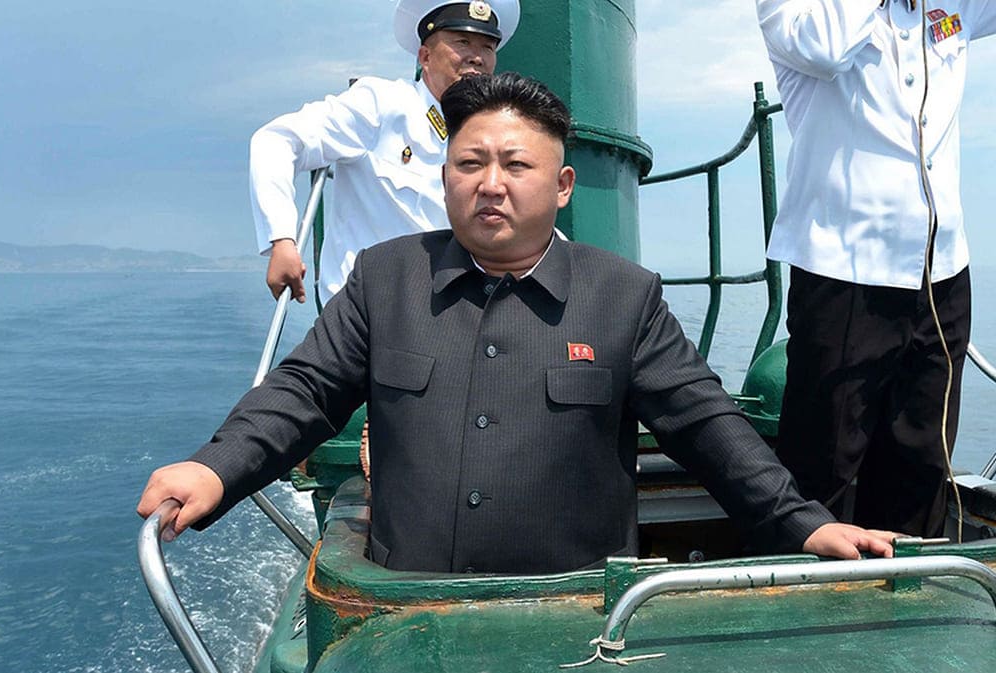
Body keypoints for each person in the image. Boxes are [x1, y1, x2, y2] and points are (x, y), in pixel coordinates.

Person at [139, 73, 895, 574]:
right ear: (445, 178)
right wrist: (216, 467)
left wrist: (803, 524)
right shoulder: (384, 279)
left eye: (516, 165)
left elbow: (707, 425)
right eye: (469, 164)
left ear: (562, 185)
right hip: (409, 613)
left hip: (575, 619)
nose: (490, 184)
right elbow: (304, 390)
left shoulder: (623, 295)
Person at [756, 1, 996, 536]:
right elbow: (824, 46)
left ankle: (906, 584)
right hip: (842, 272)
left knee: (922, 466)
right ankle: (808, 589)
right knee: (822, 473)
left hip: (941, 274)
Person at [250, 0, 520, 307]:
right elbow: (277, 141)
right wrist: (282, 240)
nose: (477, 57)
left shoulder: (493, 133)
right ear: (425, 56)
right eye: (462, 42)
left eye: (487, 47)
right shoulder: (382, 105)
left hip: (450, 313)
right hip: (365, 313)